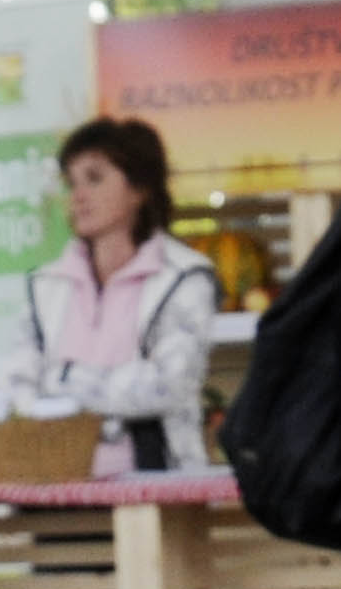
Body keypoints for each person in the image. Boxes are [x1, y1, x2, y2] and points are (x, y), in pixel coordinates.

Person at [19, 117, 214, 475]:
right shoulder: (44, 284)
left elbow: (170, 384)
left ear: (139, 188)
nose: (78, 196)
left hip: (158, 488)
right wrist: (105, 395)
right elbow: (22, 387)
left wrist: (65, 380)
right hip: (57, 487)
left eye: (94, 178)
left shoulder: (185, 276)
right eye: (71, 183)